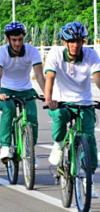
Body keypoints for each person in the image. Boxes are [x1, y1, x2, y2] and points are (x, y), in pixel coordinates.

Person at [45, 22, 100, 198]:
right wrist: (49, 99)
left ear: (83, 42)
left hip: (84, 103)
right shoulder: (55, 54)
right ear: (64, 42)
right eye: (71, 41)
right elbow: (50, 77)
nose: (76, 45)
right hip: (60, 102)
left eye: (79, 41)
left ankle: (87, 178)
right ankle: (59, 145)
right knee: (60, 115)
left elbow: (97, 77)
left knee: (89, 139)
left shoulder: (91, 54)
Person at [0, 22, 45, 166]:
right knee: (8, 110)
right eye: (14, 40)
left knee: (32, 116)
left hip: (26, 89)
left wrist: (48, 94)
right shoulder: (0, 52)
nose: (17, 43)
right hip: (5, 89)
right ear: (7, 39)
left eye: (20, 39)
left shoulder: (32, 51)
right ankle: (5, 146)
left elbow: (39, 75)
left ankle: (30, 151)